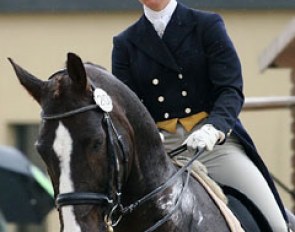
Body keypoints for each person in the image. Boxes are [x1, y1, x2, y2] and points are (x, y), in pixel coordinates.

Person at [111, 0, 290, 231]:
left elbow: (230, 89)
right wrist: (148, 137)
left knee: (276, 224)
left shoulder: (206, 25)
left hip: (213, 144)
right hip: (161, 152)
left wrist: (214, 128)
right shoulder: (125, 43)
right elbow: (129, 106)